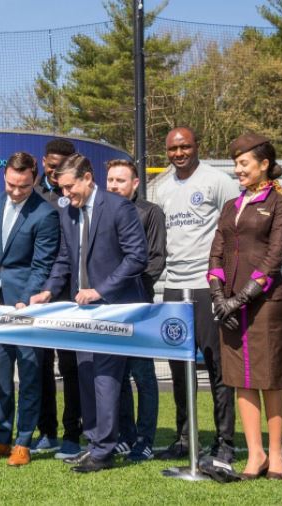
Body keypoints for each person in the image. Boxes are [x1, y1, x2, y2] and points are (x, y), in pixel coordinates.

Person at [30, 153, 147, 473]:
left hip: (113, 309)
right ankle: (95, 444)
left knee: (105, 378)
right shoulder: (68, 212)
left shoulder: (119, 208)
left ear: (87, 178)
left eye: (69, 188)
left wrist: (100, 290)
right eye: (61, 189)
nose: (65, 195)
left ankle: (104, 450)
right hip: (83, 310)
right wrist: (49, 290)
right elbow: (65, 259)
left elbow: (137, 258)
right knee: (85, 375)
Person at [209, 133, 282, 480]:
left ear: (264, 165)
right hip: (230, 305)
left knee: (269, 379)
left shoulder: (281, 203)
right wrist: (219, 298)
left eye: (244, 163)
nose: (238, 169)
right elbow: (216, 252)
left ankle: (276, 455)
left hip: (265, 302)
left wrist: (240, 298)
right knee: (240, 379)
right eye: (236, 164)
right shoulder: (231, 206)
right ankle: (255, 453)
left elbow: (274, 259)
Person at [153, 127, 240, 463]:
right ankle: (184, 438)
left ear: (196, 146)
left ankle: (225, 442)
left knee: (218, 367)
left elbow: (235, 231)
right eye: (173, 148)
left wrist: (227, 280)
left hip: (208, 288)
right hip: (174, 287)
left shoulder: (217, 181)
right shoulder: (159, 187)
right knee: (179, 368)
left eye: (185, 147)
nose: (179, 153)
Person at [0, 152, 60, 466]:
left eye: (23, 186)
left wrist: (26, 299)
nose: (15, 191)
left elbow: (41, 266)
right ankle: (0, 437)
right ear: (5, 176)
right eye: (11, 184)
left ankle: (23, 441)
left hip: (26, 305)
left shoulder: (46, 214)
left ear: (34, 179)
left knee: (30, 373)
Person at [105, 159, 166, 462]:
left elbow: (155, 261)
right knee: (119, 374)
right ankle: (126, 436)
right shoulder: (101, 212)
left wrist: (129, 288)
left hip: (139, 307)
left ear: (135, 184)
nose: (114, 185)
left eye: (120, 180)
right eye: (111, 180)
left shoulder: (150, 213)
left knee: (143, 375)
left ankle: (145, 439)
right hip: (109, 308)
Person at [32, 138, 84, 459]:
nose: (54, 170)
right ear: (44, 161)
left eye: (61, 165)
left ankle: (72, 433)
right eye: (51, 164)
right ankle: (46, 431)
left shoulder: (75, 194)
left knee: (70, 365)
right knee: (39, 365)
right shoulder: (32, 194)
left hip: (69, 292)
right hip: (39, 293)